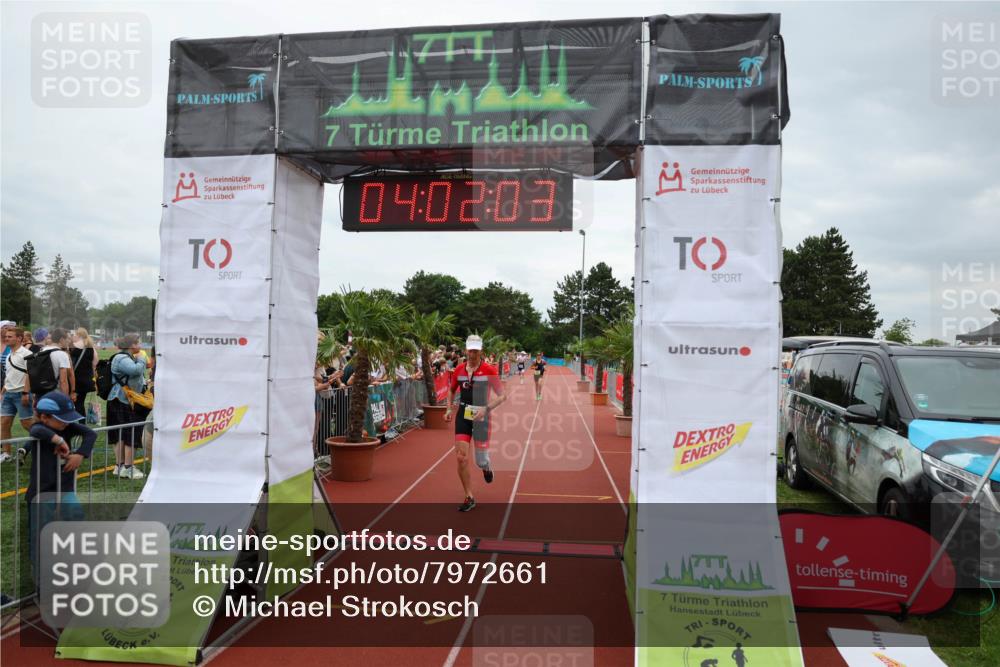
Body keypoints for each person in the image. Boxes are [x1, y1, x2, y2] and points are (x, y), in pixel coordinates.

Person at [27, 391, 94, 579]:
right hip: (41, 492)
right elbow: (35, 430)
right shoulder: (40, 428)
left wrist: (80, 454)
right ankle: (41, 579)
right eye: (62, 419)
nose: (66, 423)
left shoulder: (68, 426)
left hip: (65, 488)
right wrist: (59, 440)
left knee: (76, 520)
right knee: (40, 535)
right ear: (44, 417)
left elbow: (90, 434)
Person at [444, 335, 508, 512]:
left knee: (480, 461)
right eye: (470, 350)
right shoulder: (458, 370)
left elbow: (503, 395)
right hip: (463, 415)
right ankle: (469, 496)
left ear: (481, 351)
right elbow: (450, 391)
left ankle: (486, 467)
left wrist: (486, 409)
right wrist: (448, 409)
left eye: (476, 350)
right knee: (461, 457)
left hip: (481, 417)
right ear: (466, 350)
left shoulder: (489, 370)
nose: (472, 354)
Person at [106, 334, 148, 479]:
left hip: (122, 399)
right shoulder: (122, 358)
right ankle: (127, 467)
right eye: (139, 343)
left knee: (123, 434)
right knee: (128, 433)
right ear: (132, 345)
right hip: (121, 400)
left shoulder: (125, 357)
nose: (141, 345)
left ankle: (121, 466)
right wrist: (142, 359)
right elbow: (136, 370)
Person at [1, 327, 34, 462]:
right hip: (8, 394)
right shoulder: (9, 354)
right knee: (4, 424)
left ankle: (48, 442)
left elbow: (30, 374)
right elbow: (9, 376)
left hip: (21, 394)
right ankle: (6, 453)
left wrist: (26, 393)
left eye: (10, 336)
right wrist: (2, 392)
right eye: (6, 336)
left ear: (19, 338)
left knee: (26, 424)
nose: (6, 338)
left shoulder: (27, 353)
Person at [25, 327, 73, 404]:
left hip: (40, 391)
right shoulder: (62, 354)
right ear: (61, 339)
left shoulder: (42, 350)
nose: (69, 341)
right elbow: (63, 381)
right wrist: (65, 400)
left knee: (41, 411)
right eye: (67, 339)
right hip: (55, 392)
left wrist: (26, 392)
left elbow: (30, 373)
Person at [69, 327, 99, 418]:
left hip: (74, 379)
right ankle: (82, 422)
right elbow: (95, 363)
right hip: (86, 380)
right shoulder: (91, 348)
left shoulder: (72, 346)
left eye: (75, 334)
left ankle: (74, 422)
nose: (73, 336)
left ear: (78, 335)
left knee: (73, 403)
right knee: (80, 403)